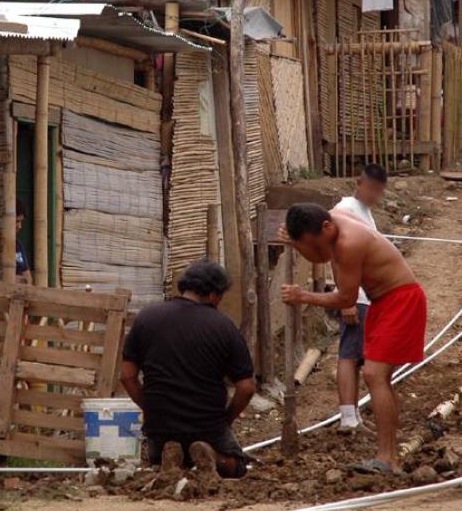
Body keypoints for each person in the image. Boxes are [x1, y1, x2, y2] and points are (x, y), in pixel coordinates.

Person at [280, 203, 426, 474]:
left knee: (374, 375)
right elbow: (321, 255)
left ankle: (387, 458)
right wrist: (298, 244)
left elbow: (346, 298)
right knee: (378, 376)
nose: (314, 248)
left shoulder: (348, 242)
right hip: (385, 302)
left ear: (326, 227)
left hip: (401, 301)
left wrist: (304, 297)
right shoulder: (332, 223)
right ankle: (389, 456)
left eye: (312, 242)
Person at [120, 260, 255, 479]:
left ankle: (170, 458)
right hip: (207, 427)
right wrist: (226, 420)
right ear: (213, 295)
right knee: (238, 466)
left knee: (159, 457)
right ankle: (211, 455)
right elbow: (247, 387)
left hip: (160, 429)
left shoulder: (146, 318)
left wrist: (152, 408)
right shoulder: (224, 326)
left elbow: (127, 377)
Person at [331, 164, 387, 432]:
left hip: (366, 297)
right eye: (372, 188)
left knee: (356, 356)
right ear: (359, 182)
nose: (375, 195)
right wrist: (348, 299)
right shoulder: (345, 210)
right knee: (349, 355)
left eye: (379, 191)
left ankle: (353, 416)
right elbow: (336, 255)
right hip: (356, 297)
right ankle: (347, 418)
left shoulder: (364, 212)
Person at [15, 201, 32, 285]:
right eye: (17, 221)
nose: (19, 226)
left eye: (20, 222)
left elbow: (27, 277)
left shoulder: (17, 245)